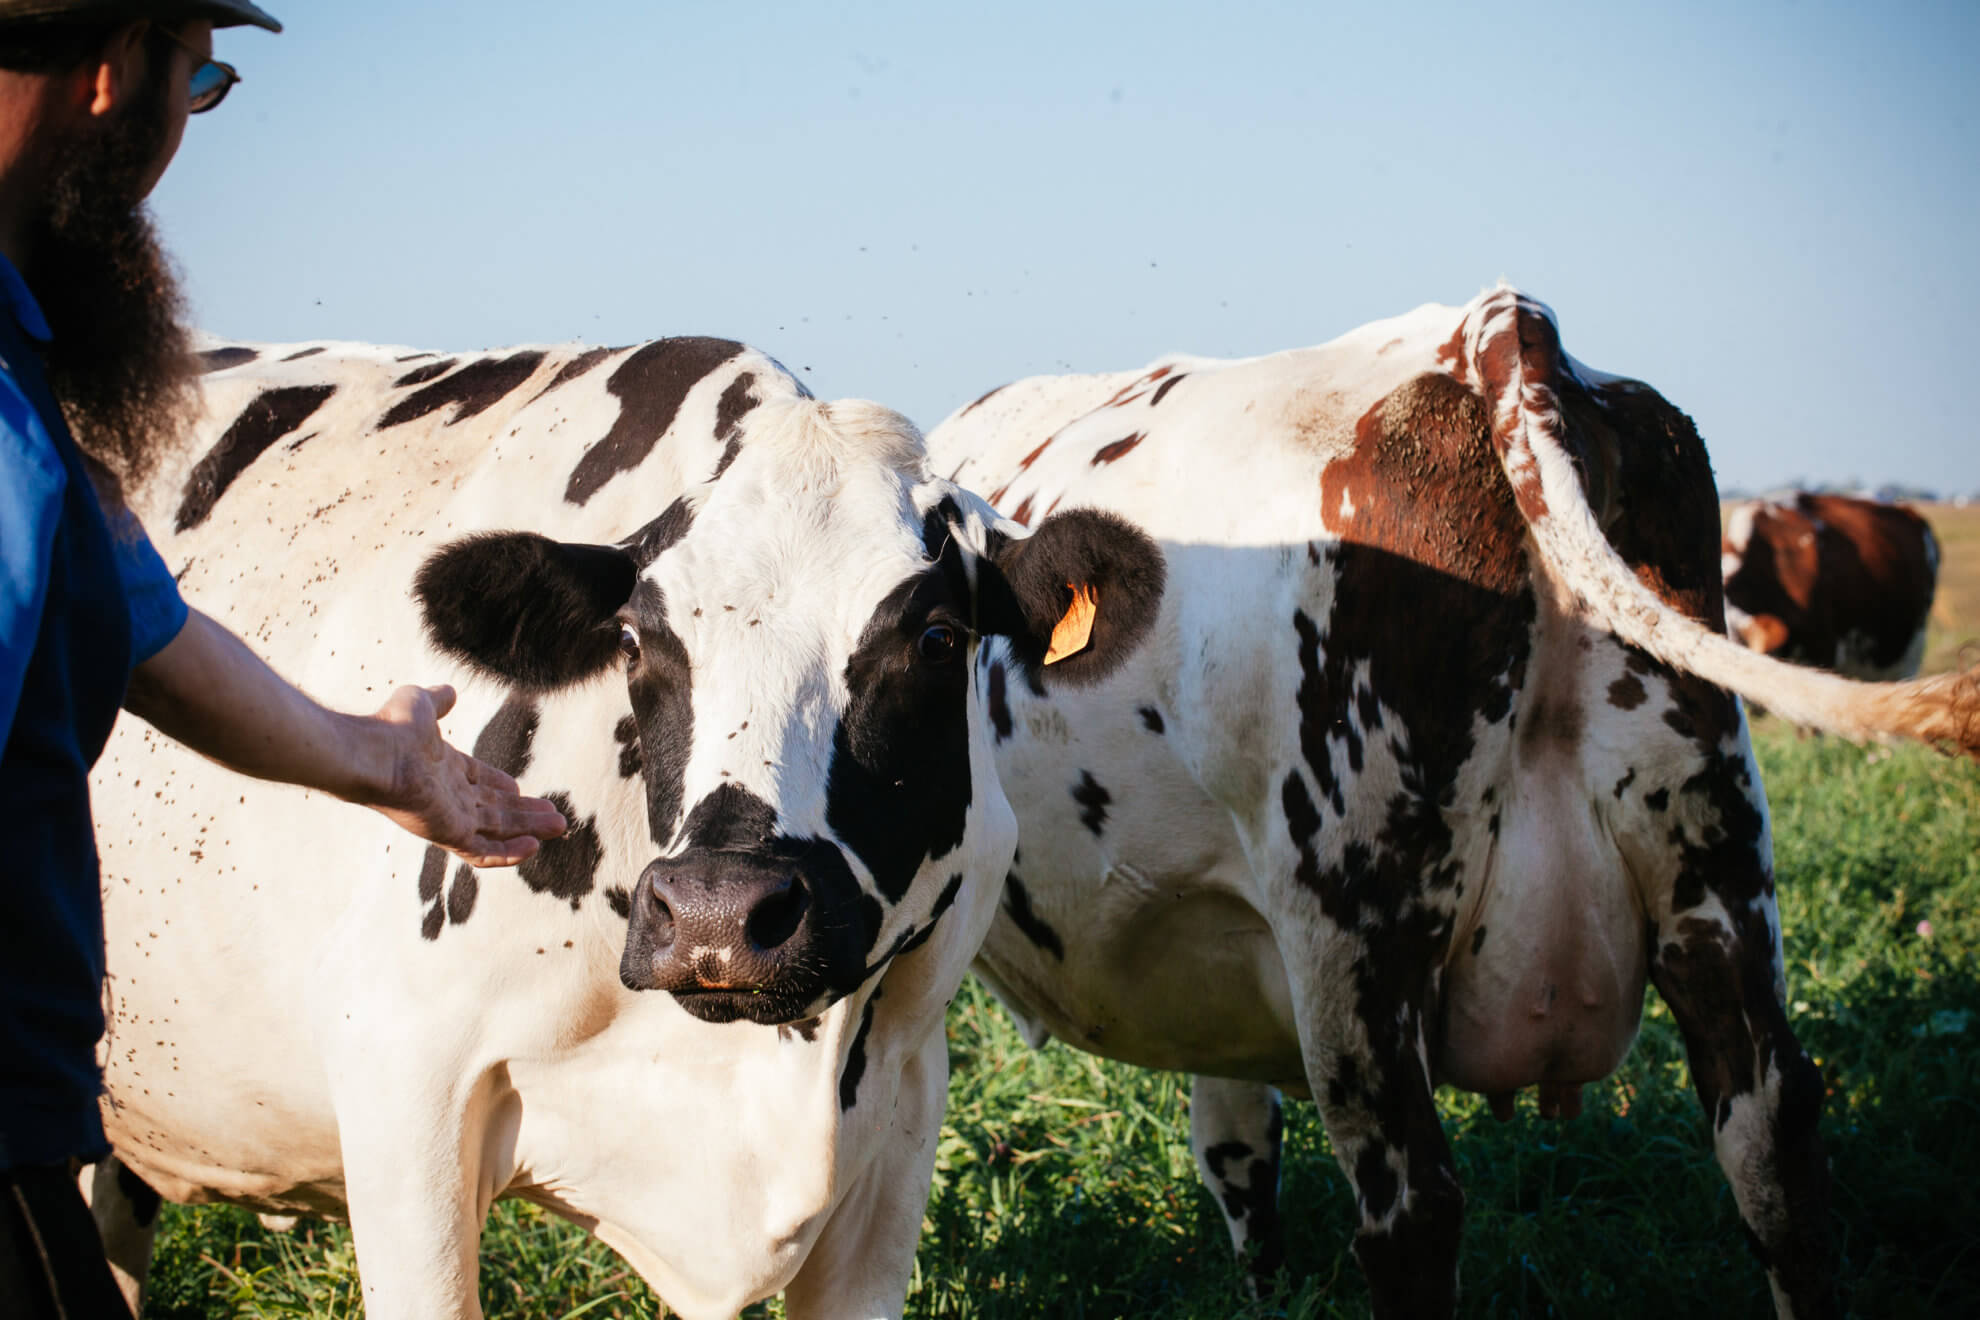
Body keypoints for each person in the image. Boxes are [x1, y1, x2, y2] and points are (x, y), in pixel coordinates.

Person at [0, 4, 568, 1313]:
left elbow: (147, 631)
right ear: (108, 70)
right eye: (196, 76)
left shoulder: (18, 378)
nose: (185, 129)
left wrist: (380, 759)